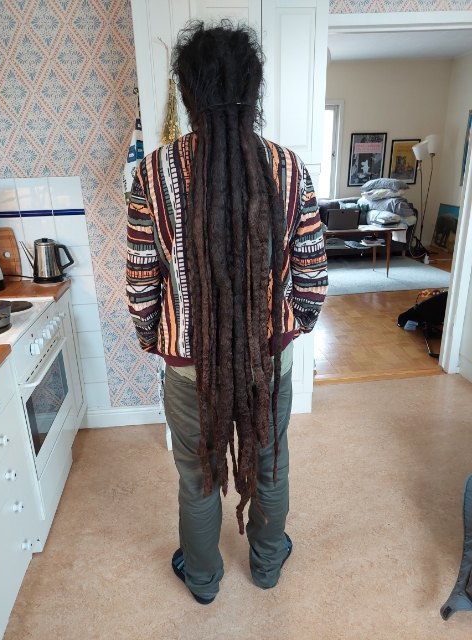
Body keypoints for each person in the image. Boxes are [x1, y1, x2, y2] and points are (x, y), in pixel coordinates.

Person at [126, 20, 328, 605]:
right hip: (269, 363)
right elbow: (312, 279)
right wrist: (283, 332)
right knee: (269, 466)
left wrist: (162, 341)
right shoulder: (289, 168)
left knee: (197, 478)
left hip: (190, 367)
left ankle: (203, 580)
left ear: (189, 93)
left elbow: (141, 282)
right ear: (253, 91)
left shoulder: (153, 174)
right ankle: (266, 566)